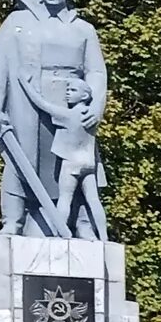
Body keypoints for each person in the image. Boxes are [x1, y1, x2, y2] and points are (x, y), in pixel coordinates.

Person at [0, 0, 108, 237]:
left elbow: (96, 71)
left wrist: (96, 107)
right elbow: (0, 66)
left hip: (71, 105)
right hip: (26, 101)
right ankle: (13, 221)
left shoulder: (83, 29)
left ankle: (83, 225)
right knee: (20, 159)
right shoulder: (19, 21)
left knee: (78, 163)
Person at [51, 78, 105, 238]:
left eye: (73, 90)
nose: (67, 93)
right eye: (68, 89)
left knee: (64, 199)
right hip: (89, 163)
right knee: (94, 200)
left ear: (84, 96)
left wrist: (26, 85)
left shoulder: (69, 114)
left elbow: (42, 104)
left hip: (71, 163)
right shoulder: (91, 116)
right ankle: (104, 236)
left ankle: (58, 234)